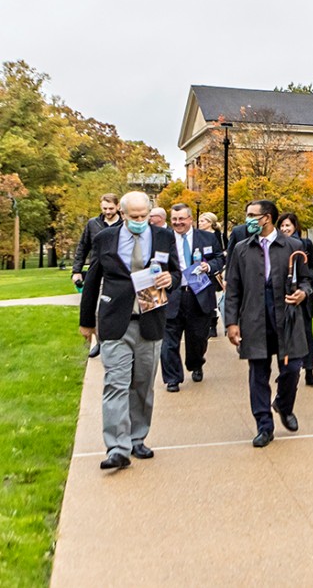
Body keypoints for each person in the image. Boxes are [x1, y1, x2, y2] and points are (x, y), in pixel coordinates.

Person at [78, 191, 181, 470]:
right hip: (115, 322)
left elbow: (177, 273)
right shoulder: (105, 239)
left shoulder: (164, 237)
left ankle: (137, 438)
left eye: (143, 216)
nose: (139, 220)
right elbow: (92, 280)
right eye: (133, 216)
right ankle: (117, 447)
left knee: (143, 385)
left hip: (150, 320)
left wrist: (170, 278)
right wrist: (87, 321)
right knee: (116, 383)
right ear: (122, 214)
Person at [224, 200, 313, 448]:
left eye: (253, 215)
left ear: (268, 218)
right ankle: (264, 425)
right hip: (254, 317)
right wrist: (231, 322)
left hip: (286, 317)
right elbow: (233, 289)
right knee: (258, 374)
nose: (249, 219)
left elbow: (308, 281)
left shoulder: (293, 246)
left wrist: (302, 293)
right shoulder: (242, 249)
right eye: (247, 215)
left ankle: (284, 406)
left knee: (292, 368)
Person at [161, 204, 224, 391]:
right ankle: (172, 378)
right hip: (172, 294)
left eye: (181, 219)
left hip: (199, 294)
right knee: (168, 341)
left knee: (197, 338)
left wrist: (209, 266)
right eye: (174, 219)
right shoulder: (164, 239)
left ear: (190, 219)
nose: (178, 223)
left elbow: (220, 258)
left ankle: (196, 364)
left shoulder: (208, 237)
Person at [71, 193, 122, 358]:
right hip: (96, 270)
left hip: (117, 272)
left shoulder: (124, 224)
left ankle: (116, 343)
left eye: (111, 208)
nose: (108, 212)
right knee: (95, 309)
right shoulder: (93, 224)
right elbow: (83, 247)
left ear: (118, 207)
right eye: (105, 208)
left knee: (115, 308)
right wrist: (76, 271)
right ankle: (100, 342)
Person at [278, 213, 313, 387]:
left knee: (306, 333)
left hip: (302, 294)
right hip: (284, 295)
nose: (284, 229)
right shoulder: (277, 246)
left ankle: (309, 370)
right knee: (285, 334)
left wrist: (304, 284)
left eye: (287, 225)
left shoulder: (305, 244)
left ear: (295, 226)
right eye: (281, 225)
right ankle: (286, 371)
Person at [198, 212, 225, 337]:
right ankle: (207, 323)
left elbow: (221, 254)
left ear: (210, 222)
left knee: (214, 298)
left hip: (215, 273)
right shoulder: (198, 236)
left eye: (203, 221)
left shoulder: (218, 236)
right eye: (199, 221)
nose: (200, 223)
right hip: (200, 272)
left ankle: (213, 325)